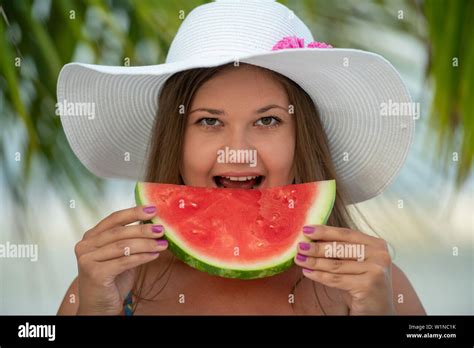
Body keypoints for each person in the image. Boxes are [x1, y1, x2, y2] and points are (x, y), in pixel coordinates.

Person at [56, 0, 425, 315]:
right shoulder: (110, 286)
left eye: (268, 120)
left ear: (303, 140)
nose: (239, 149)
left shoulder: (376, 284)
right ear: (176, 140)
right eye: (209, 121)